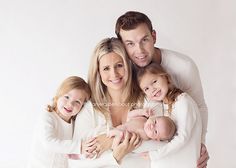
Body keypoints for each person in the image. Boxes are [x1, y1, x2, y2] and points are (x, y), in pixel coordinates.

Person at [115, 11, 209, 168]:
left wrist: (199, 146)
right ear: (122, 46)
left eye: (144, 40)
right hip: (147, 145)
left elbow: (200, 106)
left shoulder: (183, 67)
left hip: (176, 145)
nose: (139, 51)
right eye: (130, 44)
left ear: (154, 37)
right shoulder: (123, 71)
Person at [68, 37, 148, 168]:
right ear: (98, 72)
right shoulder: (89, 110)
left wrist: (110, 141)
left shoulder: (146, 99)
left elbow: (162, 143)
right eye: (106, 68)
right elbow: (76, 163)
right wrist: (115, 156)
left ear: (128, 65)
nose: (114, 74)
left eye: (119, 65)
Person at [136, 62, 202, 167]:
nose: (152, 89)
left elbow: (182, 138)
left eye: (154, 81)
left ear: (166, 78)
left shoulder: (183, 101)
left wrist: (155, 155)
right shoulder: (164, 106)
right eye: (146, 89)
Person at [27, 76, 91, 168]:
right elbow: (49, 143)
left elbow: (68, 151)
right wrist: (79, 146)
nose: (70, 104)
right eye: (67, 97)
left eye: (77, 102)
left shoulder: (73, 123)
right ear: (58, 95)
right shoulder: (48, 116)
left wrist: (84, 153)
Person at [108, 109, 176, 143]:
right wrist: (141, 112)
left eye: (155, 131)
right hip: (118, 128)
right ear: (154, 117)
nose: (152, 126)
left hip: (121, 136)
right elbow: (129, 115)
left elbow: (130, 137)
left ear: (156, 139)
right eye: (155, 122)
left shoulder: (145, 135)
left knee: (126, 135)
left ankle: (117, 133)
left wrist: (120, 133)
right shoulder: (143, 118)